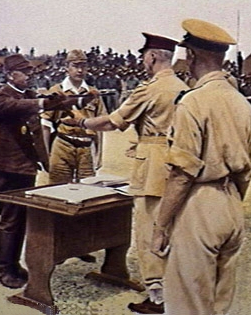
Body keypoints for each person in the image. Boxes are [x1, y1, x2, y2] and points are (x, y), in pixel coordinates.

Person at [62, 33, 187, 314]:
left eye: (145, 56)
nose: (144, 61)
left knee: (149, 233)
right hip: (176, 165)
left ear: (153, 57)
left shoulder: (149, 89)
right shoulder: (182, 86)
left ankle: (157, 297)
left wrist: (82, 122)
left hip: (152, 166)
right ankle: (173, 291)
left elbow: (112, 122)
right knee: (169, 231)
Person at [150, 19, 251, 315]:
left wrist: (160, 226)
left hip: (199, 204)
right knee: (218, 303)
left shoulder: (193, 102)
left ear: (192, 56)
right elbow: (248, 170)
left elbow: (182, 174)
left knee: (188, 303)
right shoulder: (241, 102)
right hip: (231, 203)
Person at [0, 54, 82, 289]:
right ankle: (4, 269)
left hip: (25, 165)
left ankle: (13, 264)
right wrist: (44, 103)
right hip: (8, 166)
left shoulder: (28, 95)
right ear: (11, 74)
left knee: (21, 217)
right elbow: (18, 107)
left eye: (30, 72)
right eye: (25, 72)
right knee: (10, 218)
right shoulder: (2, 96)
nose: (29, 76)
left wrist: (77, 99)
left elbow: (51, 104)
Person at [41, 49, 107, 187]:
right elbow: (45, 125)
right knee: (58, 189)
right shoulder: (56, 91)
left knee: (87, 190)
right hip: (62, 145)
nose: (80, 70)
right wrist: (46, 154)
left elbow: (100, 125)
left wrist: (99, 153)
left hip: (86, 147)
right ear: (67, 68)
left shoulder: (93, 93)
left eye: (83, 66)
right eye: (75, 66)